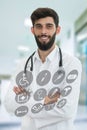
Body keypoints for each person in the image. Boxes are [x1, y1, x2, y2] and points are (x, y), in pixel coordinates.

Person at [4, 7, 82, 130]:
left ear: (58, 29)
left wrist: (26, 99)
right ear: (33, 30)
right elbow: (9, 104)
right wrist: (45, 101)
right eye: (39, 26)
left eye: (49, 26)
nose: (43, 31)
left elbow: (67, 110)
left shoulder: (71, 64)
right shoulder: (23, 65)